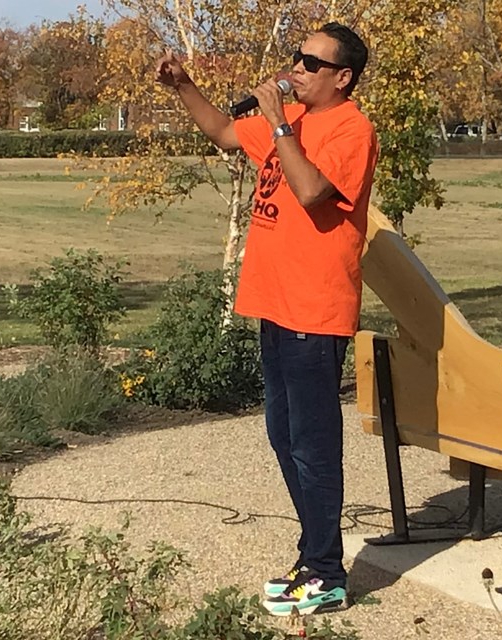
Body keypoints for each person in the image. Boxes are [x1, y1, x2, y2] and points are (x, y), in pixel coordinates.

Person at [155, 22, 378, 617]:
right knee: (283, 435)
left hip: (315, 307)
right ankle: (313, 558)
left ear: (342, 77)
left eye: (310, 61)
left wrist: (279, 120)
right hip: (274, 303)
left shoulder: (350, 128)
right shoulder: (295, 118)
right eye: (296, 57)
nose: (297, 67)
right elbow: (225, 132)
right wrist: (185, 86)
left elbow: (310, 192)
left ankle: (327, 574)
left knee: (313, 442)